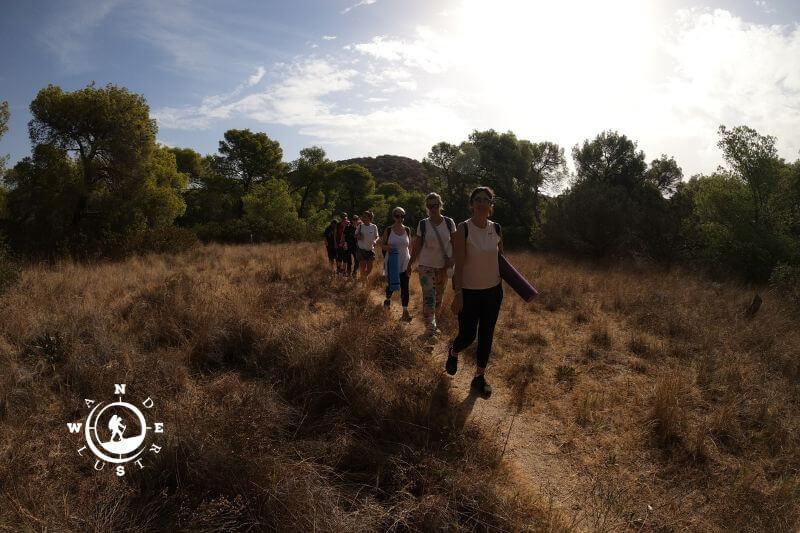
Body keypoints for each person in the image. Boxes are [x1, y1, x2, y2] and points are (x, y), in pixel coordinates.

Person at [446, 186, 504, 397]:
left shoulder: (496, 228)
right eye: (477, 199)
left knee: (487, 335)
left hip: (493, 292)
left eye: (485, 199)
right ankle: (453, 350)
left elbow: (501, 260)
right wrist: (458, 293)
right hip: (469, 293)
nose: (481, 202)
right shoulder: (464, 229)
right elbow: (458, 266)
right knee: (468, 336)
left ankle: (479, 377)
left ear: (491, 205)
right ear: (471, 204)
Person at [408, 192, 455, 338]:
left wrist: (451, 260)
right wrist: (410, 263)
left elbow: (455, 243)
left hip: (443, 267)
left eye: (435, 205)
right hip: (425, 266)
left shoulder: (449, 222)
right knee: (429, 296)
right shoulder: (423, 224)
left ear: (440, 205)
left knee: (439, 298)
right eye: (429, 206)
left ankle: (433, 325)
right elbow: (417, 246)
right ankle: (430, 327)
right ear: (427, 207)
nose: (433, 208)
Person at [381, 206, 413, 321]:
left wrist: (411, 263)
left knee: (405, 288)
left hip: (405, 263)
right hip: (392, 263)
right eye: (397, 215)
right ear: (394, 217)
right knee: (392, 285)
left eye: (402, 215)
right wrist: (387, 247)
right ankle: (388, 299)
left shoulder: (408, 230)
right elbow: (382, 245)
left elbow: (410, 247)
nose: (400, 218)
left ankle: (405, 312)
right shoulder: (388, 230)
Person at [356, 210, 379, 287]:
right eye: (363, 216)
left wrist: (375, 241)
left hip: (370, 250)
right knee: (362, 267)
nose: (363, 218)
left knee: (369, 268)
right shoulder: (360, 226)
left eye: (365, 216)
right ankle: (363, 284)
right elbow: (355, 235)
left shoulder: (374, 226)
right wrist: (358, 236)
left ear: (370, 217)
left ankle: (364, 277)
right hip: (361, 249)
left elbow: (377, 236)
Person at [345, 214, 361, 279]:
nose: (355, 220)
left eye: (356, 219)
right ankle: (348, 274)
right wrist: (345, 244)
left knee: (357, 260)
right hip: (349, 246)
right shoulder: (348, 227)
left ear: (358, 220)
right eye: (354, 219)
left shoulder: (360, 227)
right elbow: (345, 236)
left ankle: (354, 273)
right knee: (349, 261)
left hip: (357, 247)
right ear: (352, 220)